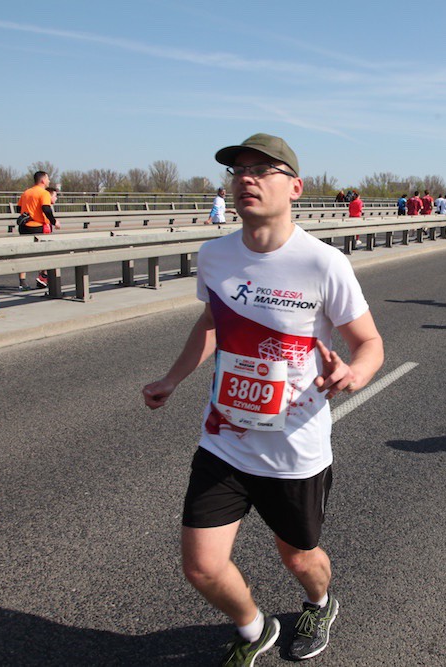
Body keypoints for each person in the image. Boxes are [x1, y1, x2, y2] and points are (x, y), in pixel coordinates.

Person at [142, 133, 384, 665]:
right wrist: (173, 378)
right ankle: (254, 629)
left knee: (298, 559)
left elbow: (369, 343)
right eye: (238, 170)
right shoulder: (215, 255)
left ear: (295, 187)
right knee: (201, 566)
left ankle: (319, 603)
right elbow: (213, 321)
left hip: (293, 449)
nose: (246, 179)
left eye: (262, 169)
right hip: (224, 439)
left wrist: (354, 373)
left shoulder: (323, 264)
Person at [16, 171, 61, 289]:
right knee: (43, 253)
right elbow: (46, 209)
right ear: (43, 180)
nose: (49, 181)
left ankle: (22, 282)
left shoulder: (26, 193)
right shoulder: (44, 193)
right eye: (48, 178)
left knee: (24, 254)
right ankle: (42, 278)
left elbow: (18, 209)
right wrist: (54, 222)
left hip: (24, 226)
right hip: (38, 226)